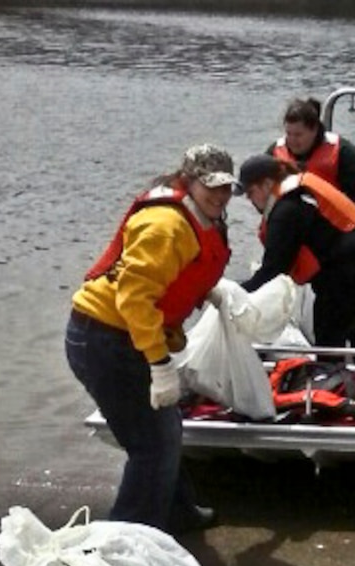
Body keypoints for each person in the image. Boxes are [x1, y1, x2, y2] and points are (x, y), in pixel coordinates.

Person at [65, 143, 236, 534]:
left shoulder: (201, 218)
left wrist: (204, 290)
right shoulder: (166, 224)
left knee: (165, 432)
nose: (221, 195)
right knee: (151, 446)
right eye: (211, 187)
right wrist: (160, 366)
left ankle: (178, 513)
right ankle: (123, 545)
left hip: (126, 335)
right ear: (188, 182)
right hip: (103, 338)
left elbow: (179, 272)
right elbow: (133, 297)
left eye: (226, 187)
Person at [237, 153, 355, 364]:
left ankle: (332, 391)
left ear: (267, 184)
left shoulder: (287, 210)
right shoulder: (297, 196)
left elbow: (273, 270)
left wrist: (236, 294)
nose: (249, 200)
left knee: (329, 339)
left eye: (250, 192)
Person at [266, 97, 355, 206]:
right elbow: (258, 191)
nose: (292, 140)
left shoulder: (343, 152)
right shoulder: (274, 153)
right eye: (288, 133)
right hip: (285, 218)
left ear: (314, 130)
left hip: (329, 219)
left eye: (298, 135)